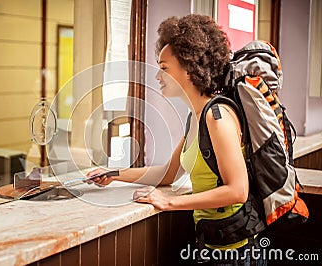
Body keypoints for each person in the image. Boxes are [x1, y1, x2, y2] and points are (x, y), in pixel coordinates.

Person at [87, 14, 266, 265]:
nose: (158, 77)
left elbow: (237, 191)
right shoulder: (196, 118)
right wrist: (114, 173)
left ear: (190, 68)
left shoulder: (218, 117)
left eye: (164, 68)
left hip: (237, 251)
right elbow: (168, 174)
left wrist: (170, 202)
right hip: (212, 243)